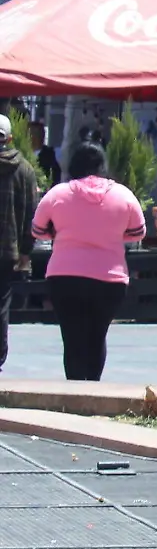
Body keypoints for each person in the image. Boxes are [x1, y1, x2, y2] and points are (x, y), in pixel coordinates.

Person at [29, 142, 147, 381]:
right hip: (109, 279)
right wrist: (111, 235)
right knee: (97, 336)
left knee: (71, 338)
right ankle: (93, 389)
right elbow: (138, 232)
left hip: (64, 277)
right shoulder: (123, 195)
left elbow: (38, 230)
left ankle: (74, 392)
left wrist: (61, 233)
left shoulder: (57, 194)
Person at [0, 115, 44, 372]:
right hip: (8, 251)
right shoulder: (25, 169)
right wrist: (27, 251)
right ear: (10, 138)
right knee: (2, 303)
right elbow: (31, 213)